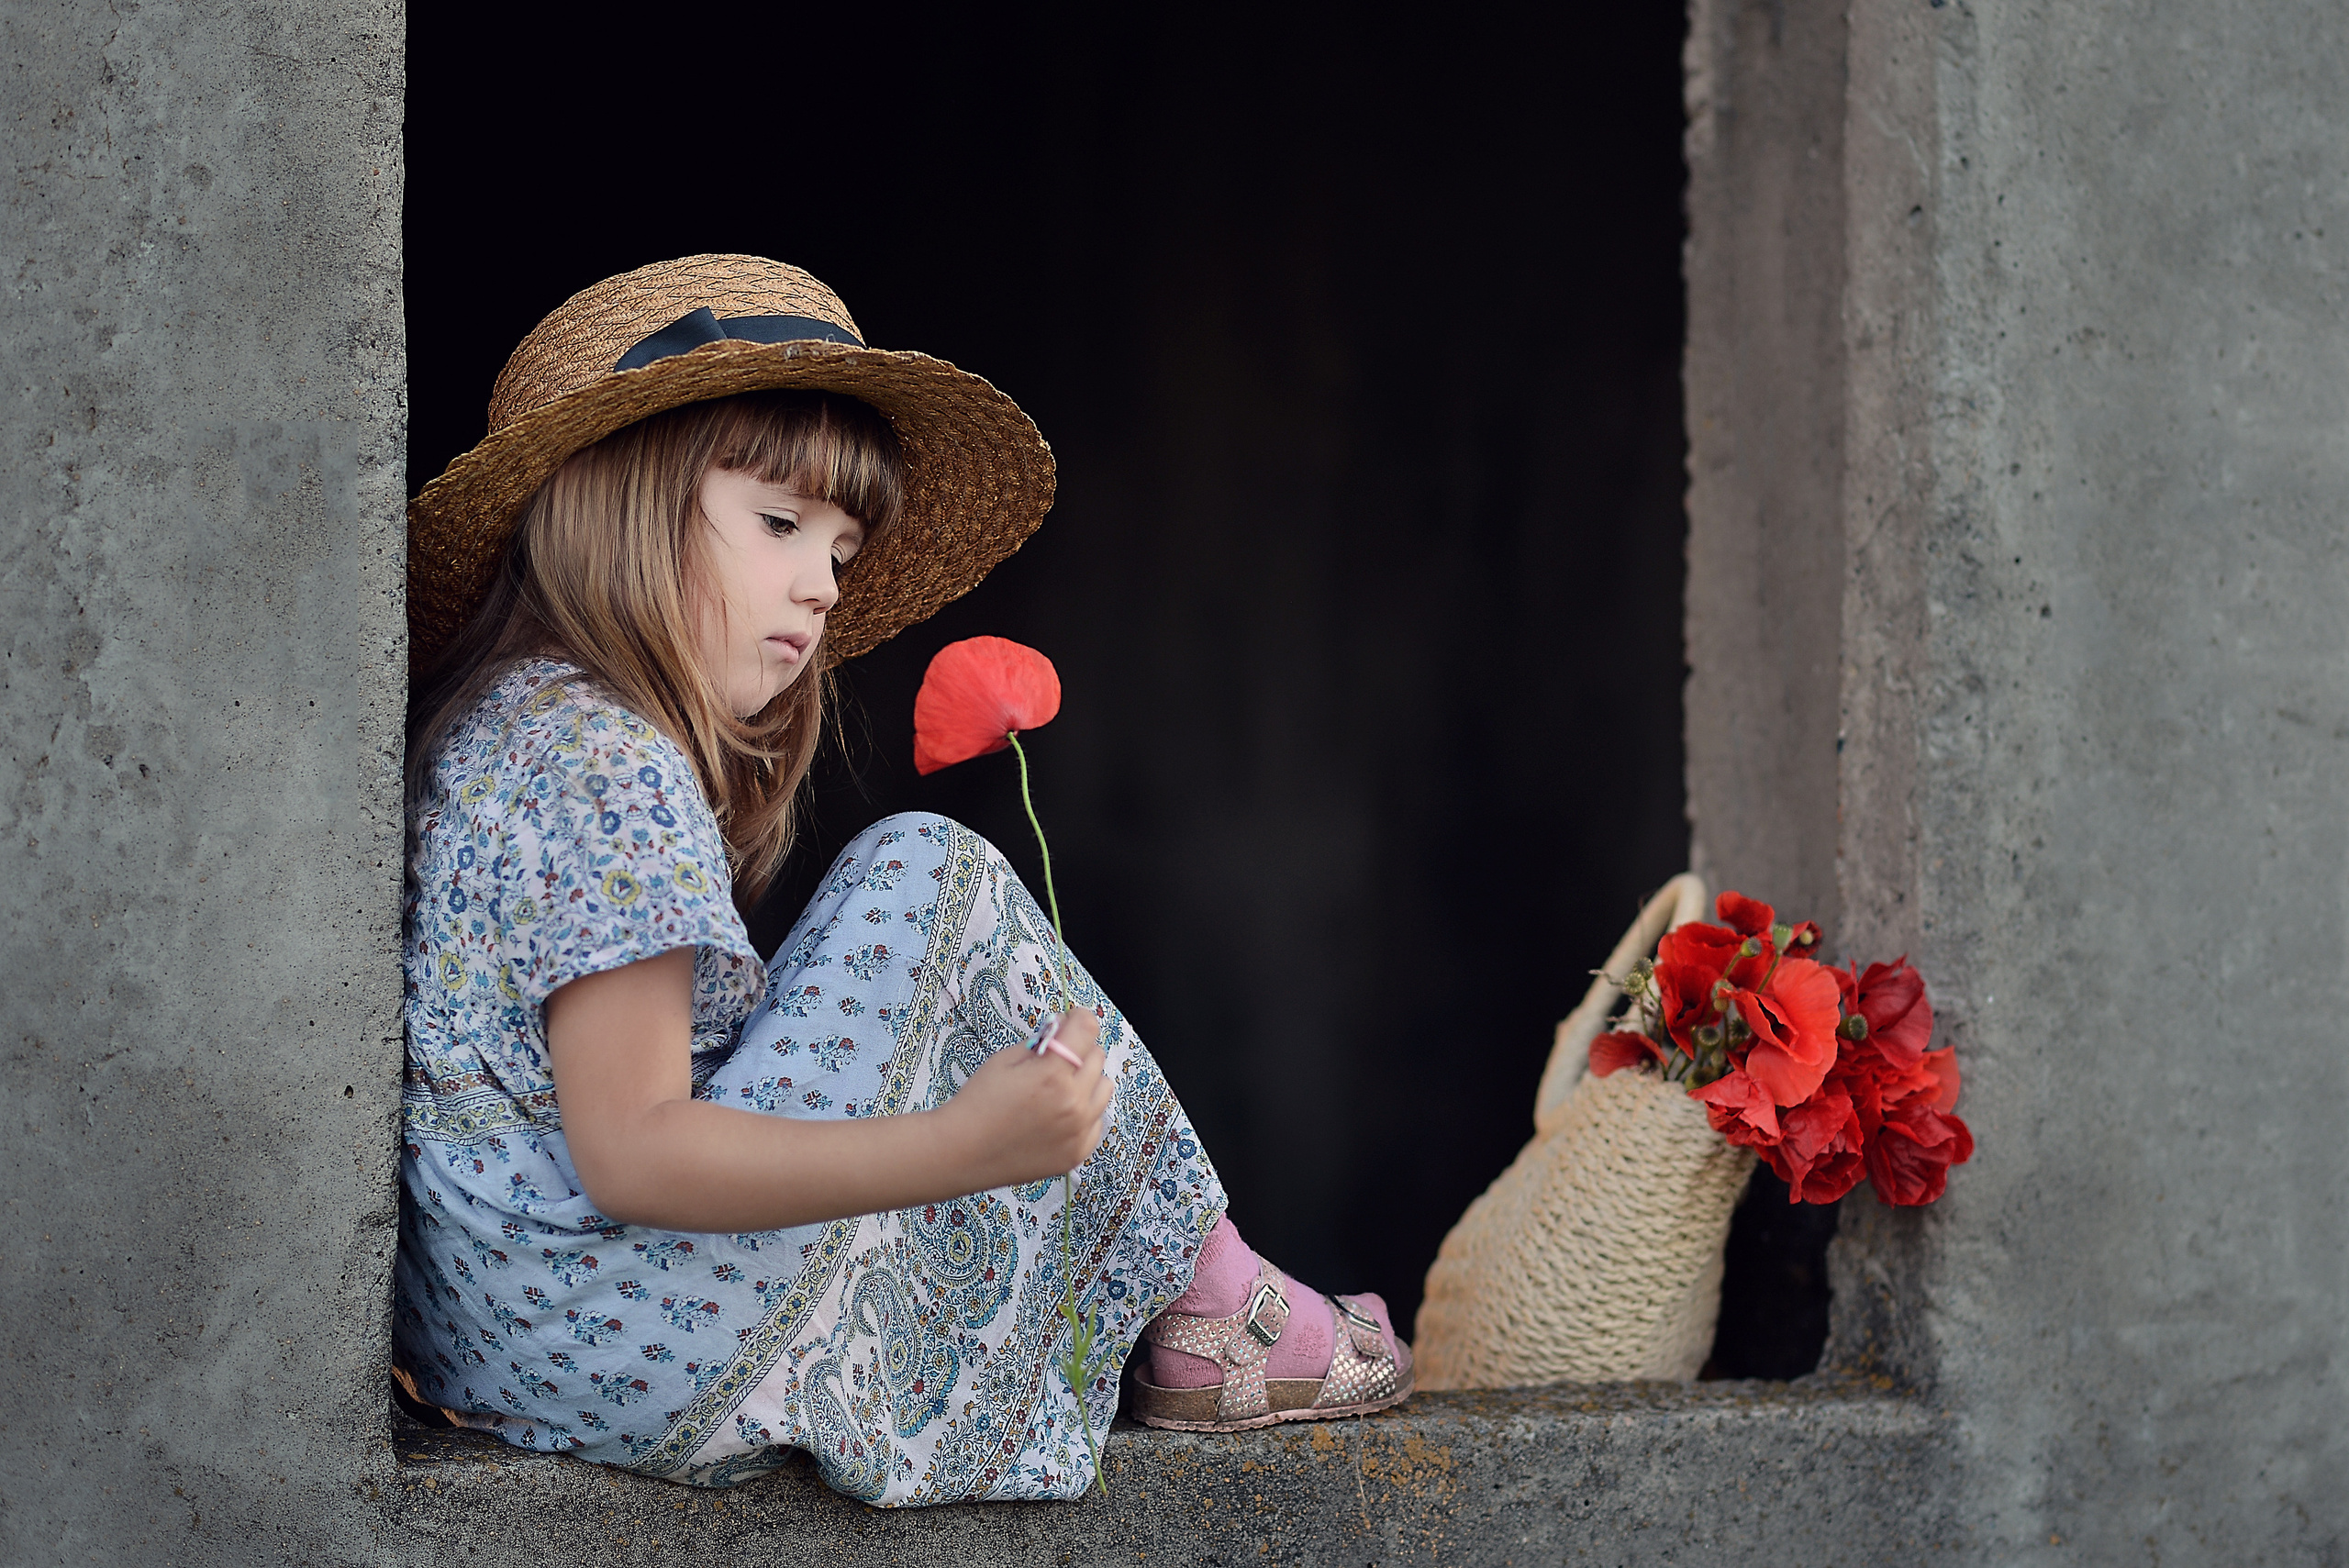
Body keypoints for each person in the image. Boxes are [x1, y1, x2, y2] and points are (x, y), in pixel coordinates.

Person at [393, 256, 1412, 1502]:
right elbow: (635, 1152)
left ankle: (1210, 1291)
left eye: (840, 548)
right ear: (621, 504)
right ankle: (1220, 1304)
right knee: (928, 870)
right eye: (780, 524)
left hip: (508, 1346)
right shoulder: (604, 757)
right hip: (620, 1327)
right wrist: (957, 1145)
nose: (822, 585)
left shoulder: (503, 726)